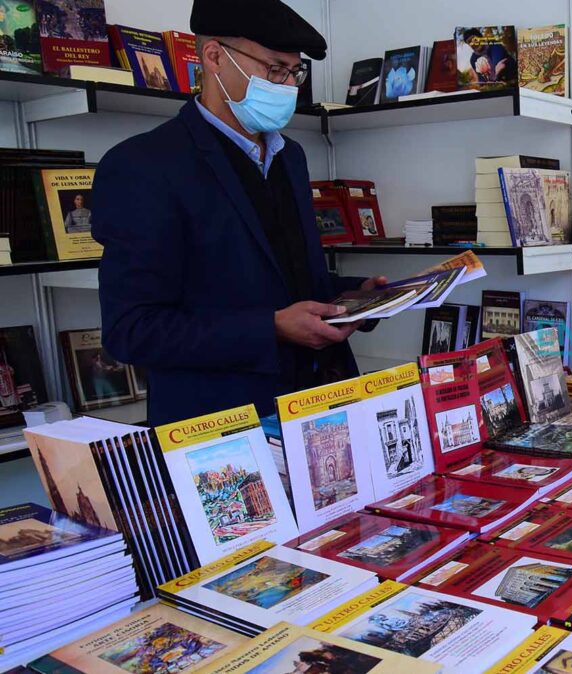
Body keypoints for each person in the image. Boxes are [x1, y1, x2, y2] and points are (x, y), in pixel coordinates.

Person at [91, 0, 386, 426]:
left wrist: (358, 295)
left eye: (294, 73)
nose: (287, 86)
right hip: (221, 432)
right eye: (274, 69)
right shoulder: (143, 166)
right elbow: (132, 330)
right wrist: (271, 328)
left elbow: (285, 278)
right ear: (214, 57)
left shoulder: (291, 157)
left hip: (317, 410)